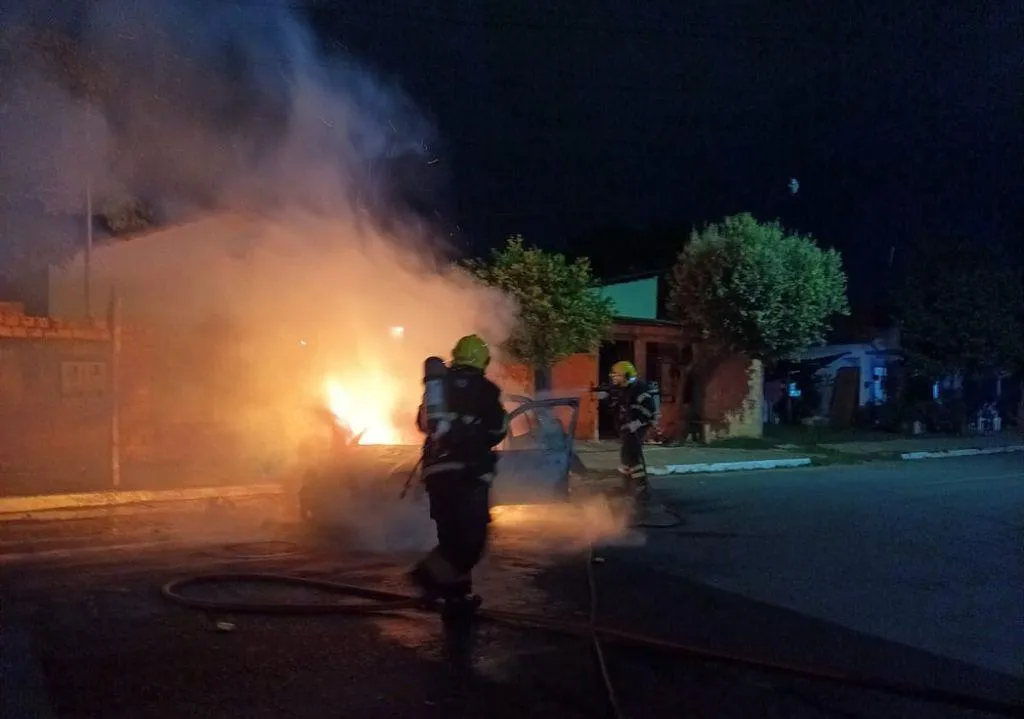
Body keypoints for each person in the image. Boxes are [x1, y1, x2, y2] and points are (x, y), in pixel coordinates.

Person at [408, 334, 508, 611]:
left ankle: (457, 594)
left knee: (451, 534)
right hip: (468, 473)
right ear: (482, 360)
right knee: (472, 540)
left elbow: (422, 423)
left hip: (437, 473)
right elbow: (498, 430)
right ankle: (426, 576)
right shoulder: (486, 390)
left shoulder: (439, 387)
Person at [597, 360, 657, 502]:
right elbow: (614, 408)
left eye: (617, 376)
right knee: (626, 456)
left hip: (637, 427)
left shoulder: (638, 389)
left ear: (627, 375)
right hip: (627, 427)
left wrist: (637, 423)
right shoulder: (622, 390)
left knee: (633, 456)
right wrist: (605, 399)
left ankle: (641, 489)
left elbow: (649, 409)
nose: (614, 378)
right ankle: (627, 486)